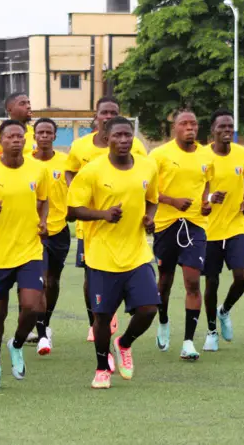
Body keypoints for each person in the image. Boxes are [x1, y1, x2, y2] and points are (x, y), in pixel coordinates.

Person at [67, 117, 161, 388]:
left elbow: (152, 198)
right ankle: (101, 368)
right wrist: (103, 215)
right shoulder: (92, 171)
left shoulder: (147, 166)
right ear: (106, 138)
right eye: (117, 135)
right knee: (103, 317)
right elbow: (73, 211)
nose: (123, 140)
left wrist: (149, 218)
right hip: (102, 255)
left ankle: (124, 343)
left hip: (137, 253)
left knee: (149, 309)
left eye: (127, 135)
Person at [0, 120, 49, 390]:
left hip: (30, 249)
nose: (16, 140)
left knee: (33, 305)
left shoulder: (38, 170)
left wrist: (43, 220)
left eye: (20, 136)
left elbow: (44, 198)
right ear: (0, 140)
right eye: (10, 136)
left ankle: (16, 344)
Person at [65, 96, 148, 341]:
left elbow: (147, 179)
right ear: (96, 116)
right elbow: (71, 172)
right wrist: (80, 195)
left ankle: (111, 315)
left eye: (114, 112)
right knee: (90, 275)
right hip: (92, 224)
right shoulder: (81, 146)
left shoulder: (137, 148)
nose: (109, 117)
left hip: (128, 229)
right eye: (105, 113)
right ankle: (96, 318)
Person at [149, 110, 214, 360]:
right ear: (174, 127)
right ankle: (163, 321)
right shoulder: (160, 155)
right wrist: (172, 201)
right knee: (164, 281)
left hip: (195, 224)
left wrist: (206, 202)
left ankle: (188, 341)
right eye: (184, 124)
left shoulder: (206, 156)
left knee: (192, 282)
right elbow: (149, 190)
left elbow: (207, 185)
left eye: (194, 124)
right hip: (166, 224)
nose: (190, 128)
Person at [201, 110, 244, 352]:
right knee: (211, 282)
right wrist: (210, 197)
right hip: (209, 230)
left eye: (230, 127)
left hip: (236, 226)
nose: (226, 131)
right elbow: (195, 188)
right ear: (213, 131)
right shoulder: (203, 156)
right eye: (221, 126)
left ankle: (225, 311)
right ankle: (211, 330)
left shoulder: (243, 155)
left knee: (242, 277)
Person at [28, 117, 69, 355]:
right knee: (40, 281)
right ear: (34, 136)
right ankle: (43, 336)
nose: (44, 136)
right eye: (40, 132)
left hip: (59, 230)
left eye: (48, 132)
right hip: (34, 231)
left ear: (55, 136)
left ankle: (45, 324)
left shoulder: (66, 163)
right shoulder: (25, 163)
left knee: (53, 281)